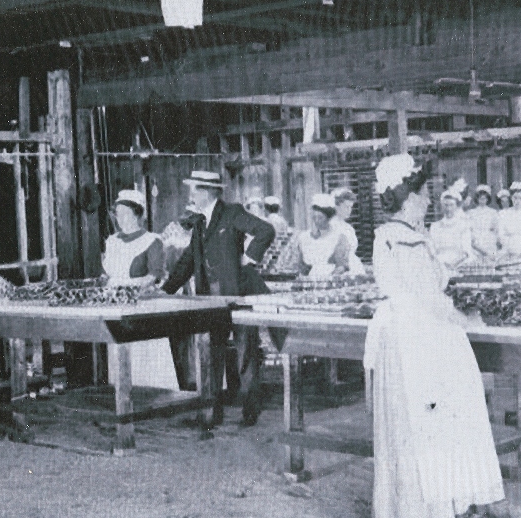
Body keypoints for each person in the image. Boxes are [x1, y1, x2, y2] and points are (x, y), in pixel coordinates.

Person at [364, 153, 509, 518]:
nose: (429, 200)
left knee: (423, 421)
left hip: (412, 333)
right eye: (424, 193)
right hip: (420, 336)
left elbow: (426, 280)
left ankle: (416, 510)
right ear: (408, 197)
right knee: (427, 420)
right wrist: (465, 320)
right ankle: (418, 510)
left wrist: (451, 264)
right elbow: (427, 296)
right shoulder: (403, 237)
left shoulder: (400, 235)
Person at [163, 169, 275, 428]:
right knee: (211, 354)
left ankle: (250, 411)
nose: (191, 194)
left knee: (245, 353)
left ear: (208, 192)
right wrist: (166, 290)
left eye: (195, 189)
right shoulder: (200, 222)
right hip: (210, 300)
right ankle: (210, 413)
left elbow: (265, 231)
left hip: (237, 295)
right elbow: (188, 261)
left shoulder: (232, 212)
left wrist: (249, 258)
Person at [102, 190, 179, 390]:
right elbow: (107, 273)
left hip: (141, 306)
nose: (122, 219)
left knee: (145, 356)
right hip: (115, 306)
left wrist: (126, 287)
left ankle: (156, 394)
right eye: (118, 214)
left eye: (127, 214)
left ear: (138, 214)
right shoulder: (112, 242)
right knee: (120, 352)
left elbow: (154, 276)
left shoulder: (152, 241)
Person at [289, 194, 351, 277]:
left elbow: (342, 266)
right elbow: (301, 265)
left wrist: (330, 277)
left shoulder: (338, 238)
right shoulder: (305, 238)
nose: (317, 221)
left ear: (329, 218)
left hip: (330, 281)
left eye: (320, 218)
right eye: (314, 218)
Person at [429, 186, 473, 268]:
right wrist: (441, 265)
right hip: (439, 265)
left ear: (457, 206)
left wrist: (453, 264)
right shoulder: (435, 226)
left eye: (452, 205)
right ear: (442, 206)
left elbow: (466, 251)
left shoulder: (463, 225)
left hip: (458, 265)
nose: (448, 208)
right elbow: (432, 250)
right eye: (446, 205)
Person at [329, 188, 366, 276]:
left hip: (353, 267)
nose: (349, 210)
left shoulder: (349, 228)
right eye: (346, 206)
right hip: (334, 269)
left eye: (351, 207)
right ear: (336, 206)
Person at [466, 184, 499, 257]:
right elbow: (469, 229)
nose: (482, 201)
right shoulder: (471, 213)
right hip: (475, 241)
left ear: (488, 199)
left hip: (489, 241)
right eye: (480, 198)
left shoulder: (493, 212)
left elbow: (496, 229)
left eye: (484, 198)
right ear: (477, 199)